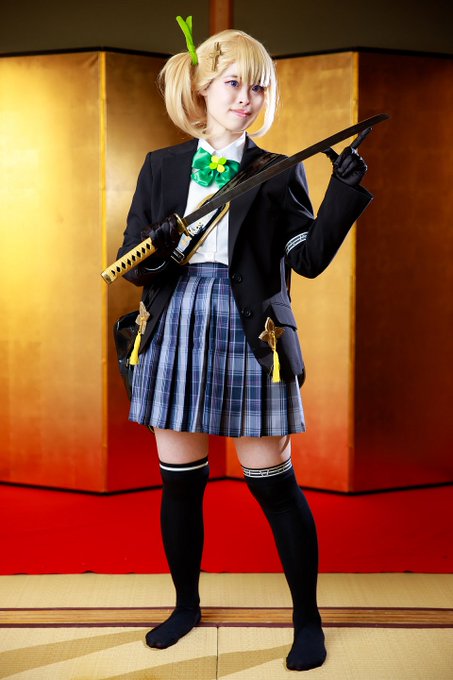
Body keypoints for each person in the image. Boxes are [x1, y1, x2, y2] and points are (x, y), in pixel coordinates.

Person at [117, 18, 371, 672]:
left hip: (253, 330)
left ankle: (307, 621)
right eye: (233, 83)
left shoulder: (280, 171)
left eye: (258, 87)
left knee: (275, 486)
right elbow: (135, 262)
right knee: (180, 486)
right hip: (175, 323)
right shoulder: (160, 167)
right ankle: (185, 607)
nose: (246, 98)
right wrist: (159, 248)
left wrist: (343, 193)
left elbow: (307, 258)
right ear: (202, 88)